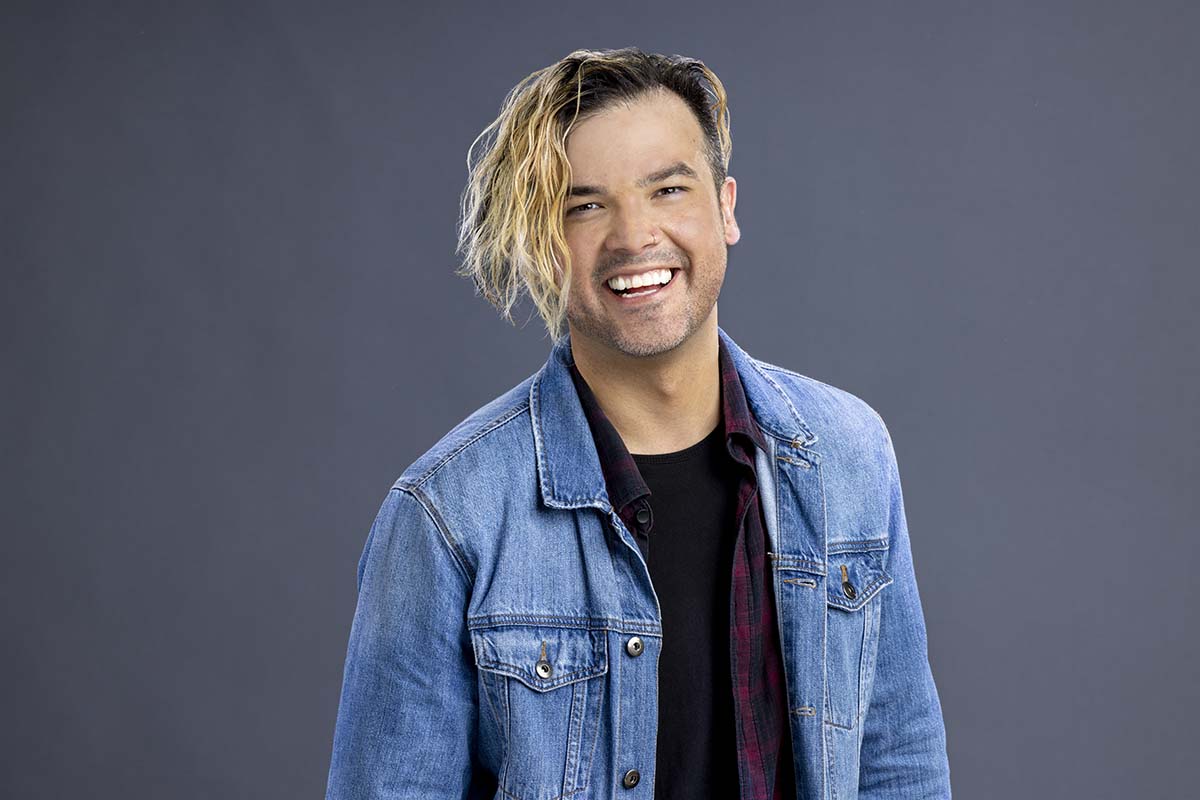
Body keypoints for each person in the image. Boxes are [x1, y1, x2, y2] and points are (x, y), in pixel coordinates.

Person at [324, 47, 951, 800]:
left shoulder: (850, 453)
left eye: (668, 189)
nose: (633, 235)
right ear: (541, 241)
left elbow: (899, 765)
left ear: (725, 208)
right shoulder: (446, 516)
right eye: (584, 206)